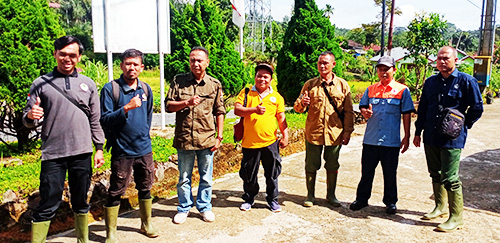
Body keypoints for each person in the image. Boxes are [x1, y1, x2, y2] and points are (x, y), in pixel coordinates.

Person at [22, 36, 105, 243]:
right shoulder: (41, 83)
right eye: (63, 54)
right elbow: (27, 118)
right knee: (49, 201)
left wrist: (99, 148)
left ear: (79, 57)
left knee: (80, 200)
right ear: (55, 54)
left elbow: (95, 119)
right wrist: (31, 117)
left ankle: (82, 240)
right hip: (53, 154)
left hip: (82, 152)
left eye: (72, 55)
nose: (67, 59)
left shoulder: (88, 84)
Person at [413, 46, 483, 232]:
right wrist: (418, 132)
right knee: (435, 173)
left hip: (452, 139)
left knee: (450, 177)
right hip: (431, 135)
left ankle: (456, 217)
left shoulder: (467, 81)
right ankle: (440, 207)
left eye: (446, 58)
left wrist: (463, 125)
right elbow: (423, 109)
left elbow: (477, 108)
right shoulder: (430, 82)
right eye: (439, 58)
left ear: (455, 60)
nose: (442, 61)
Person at [100, 49, 158, 242]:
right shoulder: (111, 89)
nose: (131, 67)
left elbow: (147, 118)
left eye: (135, 64)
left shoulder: (146, 89)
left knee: (145, 186)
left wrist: (143, 135)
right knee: (116, 190)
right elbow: (105, 120)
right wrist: (126, 108)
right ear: (121, 65)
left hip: (144, 148)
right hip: (121, 150)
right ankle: (111, 233)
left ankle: (146, 223)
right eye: (127, 63)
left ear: (142, 67)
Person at [165, 46, 226, 224]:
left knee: (206, 177)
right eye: (192, 60)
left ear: (207, 62)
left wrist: (219, 136)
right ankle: (184, 208)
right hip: (184, 138)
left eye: (199, 60)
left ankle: (204, 206)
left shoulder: (214, 84)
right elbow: (169, 106)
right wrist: (186, 102)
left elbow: (219, 111)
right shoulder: (179, 81)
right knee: (184, 177)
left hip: (207, 138)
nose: (195, 63)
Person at [349, 56, 415, 214]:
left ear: (394, 70)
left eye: (387, 69)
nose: (383, 72)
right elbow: (363, 109)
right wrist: (365, 112)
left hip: (391, 141)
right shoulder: (370, 89)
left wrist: (407, 135)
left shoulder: (402, 90)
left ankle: (391, 202)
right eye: (380, 69)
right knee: (366, 172)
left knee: (390, 173)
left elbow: (406, 114)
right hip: (371, 139)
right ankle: (362, 199)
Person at [293, 51, 355, 207]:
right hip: (314, 132)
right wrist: (303, 103)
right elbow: (297, 107)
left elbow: (348, 111)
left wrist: (347, 132)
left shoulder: (342, 85)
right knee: (311, 164)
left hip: (334, 133)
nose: (322, 65)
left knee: (333, 164)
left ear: (333, 64)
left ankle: (331, 195)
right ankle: (310, 195)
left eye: (325, 63)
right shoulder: (310, 85)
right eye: (320, 62)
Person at [234, 63, 289, 212]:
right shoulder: (246, 93)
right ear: (255, 77)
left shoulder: (276, 97)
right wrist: (254, 110)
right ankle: (249, 198)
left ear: (271, 79)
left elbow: (281, 117)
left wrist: (285, 136)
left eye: (266, 76)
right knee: (249, 174)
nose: (262, 79)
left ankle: (272, 200)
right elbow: (237, 110)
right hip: (249, 143)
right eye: (259, 76)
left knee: (272, 174)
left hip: (270, 142)